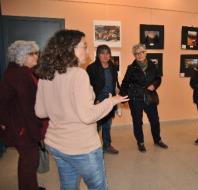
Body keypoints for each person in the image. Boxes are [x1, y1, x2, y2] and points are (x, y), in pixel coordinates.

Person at [34, 30, 128, 190]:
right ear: (70, 48)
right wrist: (111, 101)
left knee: (68, 186)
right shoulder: (79, 74)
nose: (87, 51)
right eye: (83, 46)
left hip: (56, 144)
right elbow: (87, 116)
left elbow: (40, 112)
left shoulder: (46, 74)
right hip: (81, 147)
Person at [0, 41, 45, 190]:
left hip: (18, 124)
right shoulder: (21, 74)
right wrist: (36, 130)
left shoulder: (15, 71)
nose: (36, 56)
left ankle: (29, 186)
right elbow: (29, 106)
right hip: (22, 126)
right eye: (32, 53)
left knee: (27, 160)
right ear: (21, 56)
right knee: (30, 160)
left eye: (36, 53)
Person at [120, 43, 168, 152]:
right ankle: (140, 142)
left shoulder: (153, 65)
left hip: (150, 96)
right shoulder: (131, 68)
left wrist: (154, 85)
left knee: (155, 120)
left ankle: (157, 140)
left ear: (145, 53)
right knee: (137, 121)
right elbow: (125, 82)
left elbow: (158, 78)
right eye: (136, 54)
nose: (139, 55)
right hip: (136, 97)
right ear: (134, 55)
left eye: (141, 52)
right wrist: (123, 96)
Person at [86, 44, 120, 154]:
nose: (105, 55)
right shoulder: (91, 68)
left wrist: (117, 90)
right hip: (97, 101)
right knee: (95, 126)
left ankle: (107, 145)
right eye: (102, 53)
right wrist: (94, 100)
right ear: (98, 55)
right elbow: (87, 86)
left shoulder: (113, 66)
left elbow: (115, 81)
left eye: (107, 53)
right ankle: (92, 148)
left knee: (107, 125)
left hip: (109, 101)